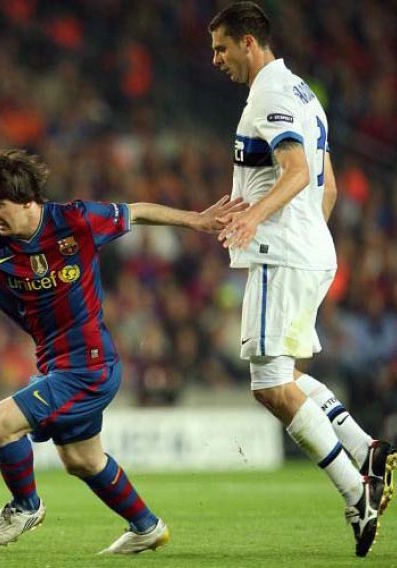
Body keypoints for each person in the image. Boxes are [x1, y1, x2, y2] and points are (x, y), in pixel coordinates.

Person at [0, 148, 246, 553]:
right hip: (55, 366)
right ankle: (147, 526)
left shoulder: (75, 220)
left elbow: (137, 212)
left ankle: (25, 507)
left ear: (27, 201)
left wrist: (197, 220)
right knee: (82, 460)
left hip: (90, 366)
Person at [208, 2, 394, 558]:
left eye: (221, 47)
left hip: (282, 253)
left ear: (248, 42)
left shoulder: (269, 95)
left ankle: (355, 493)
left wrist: (256, 219)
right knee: (282, 376)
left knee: (270, 385)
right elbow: (325, 186)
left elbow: (294, 172)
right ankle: (366, 450)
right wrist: (308, 236)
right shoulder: (304, 94)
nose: (215, 59)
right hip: (306, 250)